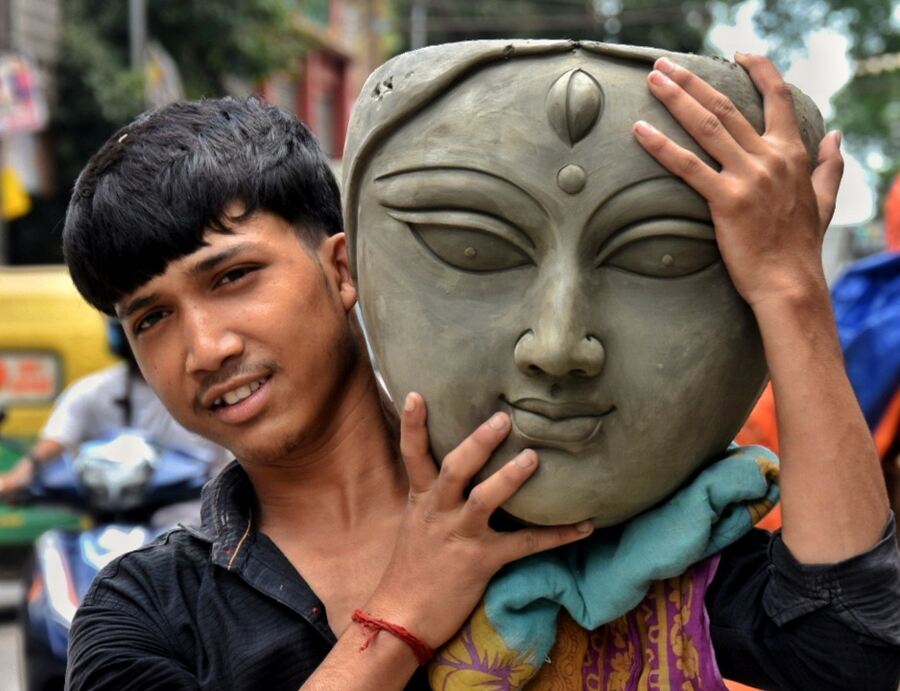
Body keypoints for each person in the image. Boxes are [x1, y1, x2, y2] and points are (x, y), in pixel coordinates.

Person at [60, 48, 899, 691]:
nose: (204, 347)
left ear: (348, 268)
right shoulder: (147, 608)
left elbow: (855, 643)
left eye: (232, 276)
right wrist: (404, 617)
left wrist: (790, 291)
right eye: (152, 317)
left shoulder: (589, 525)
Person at [0, 322, 230, 501]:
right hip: (112, 514)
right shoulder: (93, 391)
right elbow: (56, 440)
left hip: (193, 514)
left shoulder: (206, 382)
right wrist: (19, 478)